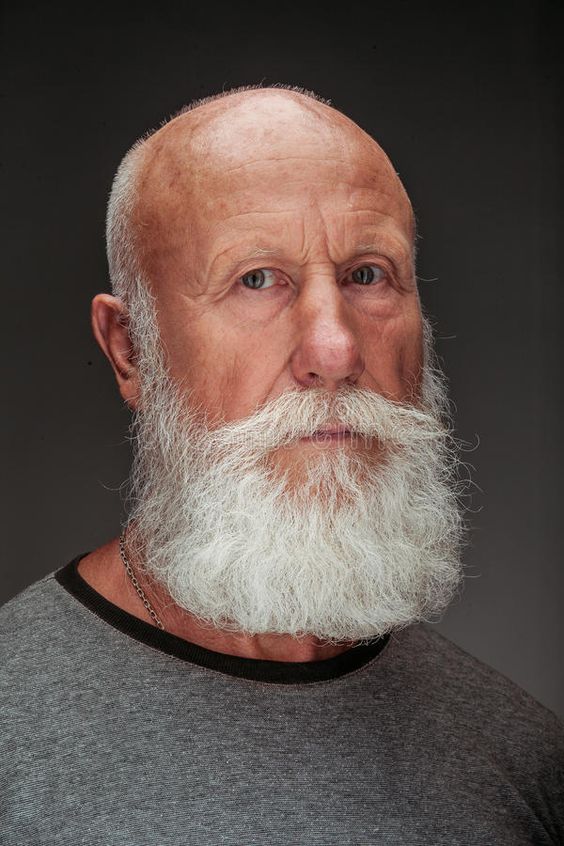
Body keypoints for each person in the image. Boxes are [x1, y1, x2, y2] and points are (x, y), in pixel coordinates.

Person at [1, 84, 562, 845]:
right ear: (131, 349)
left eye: (369, 275)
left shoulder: (521, 758)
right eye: (257, 279)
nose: (334, 351)